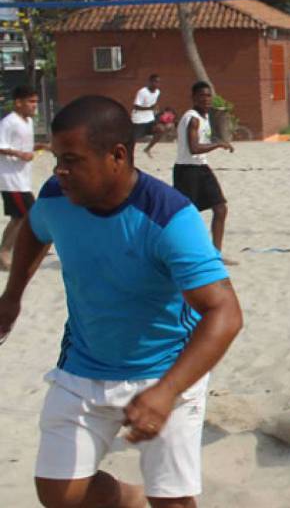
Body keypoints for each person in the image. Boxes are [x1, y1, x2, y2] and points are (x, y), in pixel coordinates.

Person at [0, 95, 242, 508]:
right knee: (59, 495)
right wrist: (12, 297)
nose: (60, 171)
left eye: (72, 159)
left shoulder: (169, 217)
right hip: (82, 367)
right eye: (57, 158)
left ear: (117, 156)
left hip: (165, 370)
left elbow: (226, 314)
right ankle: (127, 499)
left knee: (172, 502)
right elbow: (35, 231)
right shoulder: (58, 196)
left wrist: (166, 391)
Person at [173, 82, 234, 259]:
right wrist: (218, 144)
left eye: (208, 96)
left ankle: (216, 254)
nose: (206, 99)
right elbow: (194, 148)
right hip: (187, 170)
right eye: (202, 96)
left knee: (220, 208)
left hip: (201, 167)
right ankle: (180, 251)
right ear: (193, 98)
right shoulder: (192, 118)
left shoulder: (204, 117)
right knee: (185, 215)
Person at [0, 86, 48, 269]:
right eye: (31, 101)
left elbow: (24, 145)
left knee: (22, 216)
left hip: (23, 179)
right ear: (18, 102)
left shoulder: (27, 122)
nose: (35, 105)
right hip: (10, 179)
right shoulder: (8, 122)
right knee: (24, 216)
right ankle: (5, 252)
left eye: (36, 101)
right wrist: (20, 154)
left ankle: (15, 248)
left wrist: (41, 146)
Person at [132, 74, 162, 142]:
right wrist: (150, 108)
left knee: (160, 130)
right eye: (155, 82)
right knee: (136, 138)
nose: (156, 84)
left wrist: (155, 108)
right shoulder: (142, 92)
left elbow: (153, 103)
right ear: (150, 82)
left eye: (158, 82)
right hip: (139, 119)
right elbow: (136, 107)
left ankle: (147, 149)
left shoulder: (157, 92)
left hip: (149, 118)